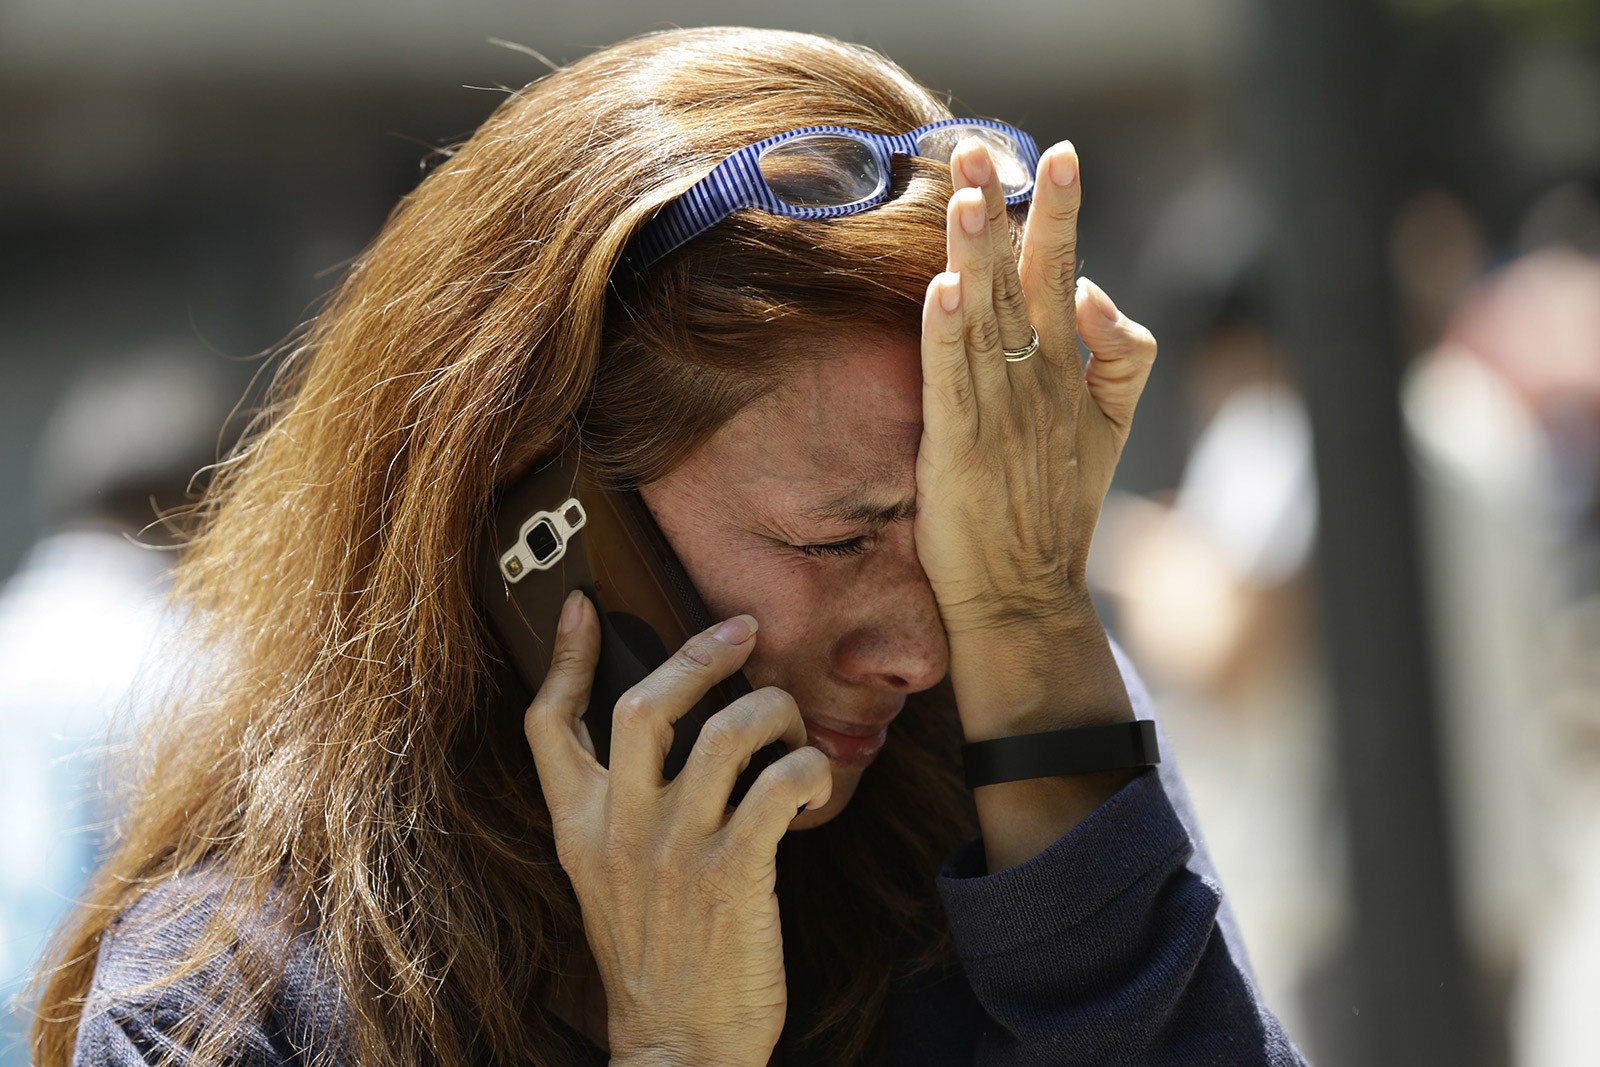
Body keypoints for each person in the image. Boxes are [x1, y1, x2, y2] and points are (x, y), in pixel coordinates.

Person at [29, 27, 1305, 1067]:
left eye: (962, 528)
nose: (923, 647)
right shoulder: (228, 1013)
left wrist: (1032, 624)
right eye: (838, 536)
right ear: (539, 519)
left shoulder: (1010, 742)